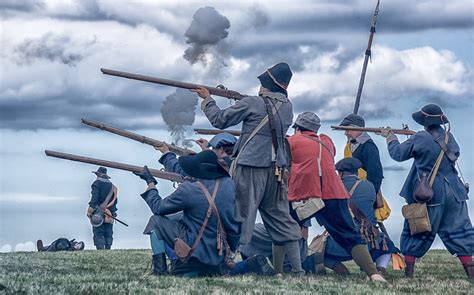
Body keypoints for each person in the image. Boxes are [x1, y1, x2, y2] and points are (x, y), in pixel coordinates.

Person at [192, 62, 304, 275]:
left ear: (265, 85)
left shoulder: (253, 103)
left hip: (250, 166)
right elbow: (266, 109)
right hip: (277, 171)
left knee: (239, 216)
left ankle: (227, 265)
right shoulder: (287, 107)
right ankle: (297, 271)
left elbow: (219, 120)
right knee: (281, 219)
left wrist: (207, 99)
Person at [286, 112, 386, 282]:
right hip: (333, 193)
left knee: (284, 229)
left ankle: (284, 271)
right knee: (351, 236)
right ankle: (374, 274)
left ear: (297, 128)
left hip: (304, 194)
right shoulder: (326, 142)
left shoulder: (291, 142)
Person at [378, 104, 473, 278]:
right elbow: (454, 153)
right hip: (455, 193)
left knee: (417, 228)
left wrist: (390, 137)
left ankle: (409, 274)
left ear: (425, 122)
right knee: (459, 231)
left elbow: (398, 154)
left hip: (430, 192)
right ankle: (471, 271)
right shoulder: (448, 136)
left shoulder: (420, 137)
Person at [136, 150, 241, 277]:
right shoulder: (228, 184)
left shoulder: (189, 189)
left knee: (156, 221)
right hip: (220, 253)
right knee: (176, 217)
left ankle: (160, 271)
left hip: (196, 252)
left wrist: (150, 183)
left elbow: (158, 207)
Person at [321, 157, 400, 276]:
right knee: (387, 246)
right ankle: (381, 268)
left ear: (341, 173)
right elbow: (375, 205)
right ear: (357, 171)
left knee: (318, 251)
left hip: (340, 240)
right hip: (369, 238)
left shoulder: (332, 187)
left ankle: (337, 267)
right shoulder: (369, 186)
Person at [86, 167, 118, 250]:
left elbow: (95, 198)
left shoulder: (96, 183)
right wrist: (110, 211)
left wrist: (90, 210)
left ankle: (100, 250)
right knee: (108, 233)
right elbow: (115, 201)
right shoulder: (112, 186)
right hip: (110, 213)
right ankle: (108, 250)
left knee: (98, 232)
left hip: (98, 213)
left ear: (98, 175)